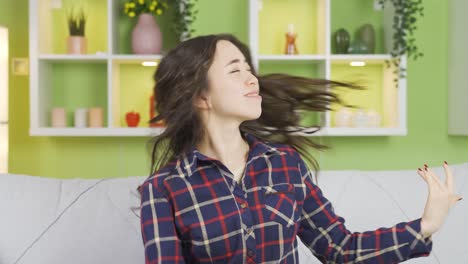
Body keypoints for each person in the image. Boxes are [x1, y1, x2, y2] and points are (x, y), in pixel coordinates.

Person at [137, 33, 462, 263]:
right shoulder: (164, 189)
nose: (252, 79)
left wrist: (425, 225)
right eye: (236, 71)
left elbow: (341, 250)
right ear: (200, 96)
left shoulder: (285, 165)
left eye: (250, 69)